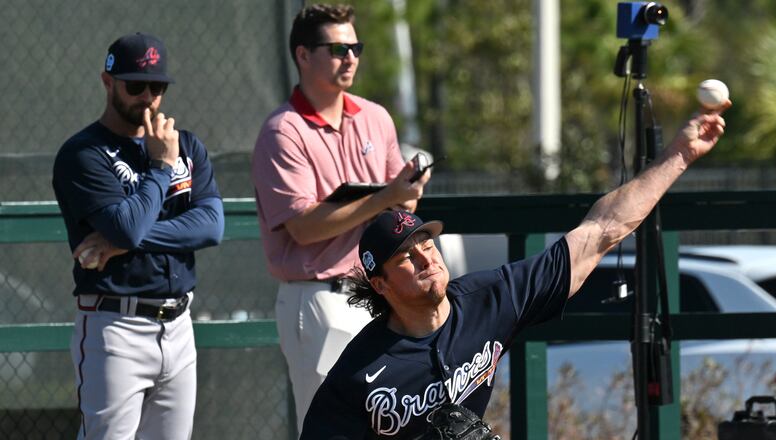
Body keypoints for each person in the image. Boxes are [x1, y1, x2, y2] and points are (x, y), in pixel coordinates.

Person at [300, 104, 731, 438]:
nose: (426, 258)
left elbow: (600, 231)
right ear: (380, 284)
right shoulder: (359, 372)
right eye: (405, 258)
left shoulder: (491, 299)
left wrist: (680, 153)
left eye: (426, 244)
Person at [251, 3, 431, 433]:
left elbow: (398, 210)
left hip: (381, 294)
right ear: (302, 55)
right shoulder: (284, 130)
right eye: (337, 49)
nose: (350, 58)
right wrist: (386, 196)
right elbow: (304, 228)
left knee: (386, 428)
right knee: (330, 430)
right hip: (320, 298)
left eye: (356, 47)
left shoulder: (375, 117)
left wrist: (407, 195)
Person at [52, 32, 223, 440]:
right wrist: (161, 168)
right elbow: (128, 226)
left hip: (179, 323)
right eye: (135, 85)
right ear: (108, 82)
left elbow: (211, 225)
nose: (147, 96)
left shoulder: (188, 146)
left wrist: (120, 241)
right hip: (115, 325)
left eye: (157, 87)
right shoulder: (84, 153)